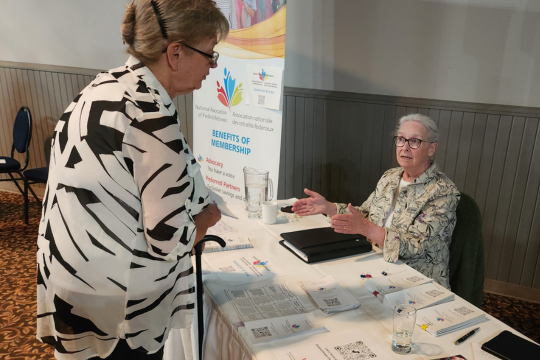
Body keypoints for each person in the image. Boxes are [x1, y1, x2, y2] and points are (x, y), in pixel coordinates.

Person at [36, 0, 228, 359]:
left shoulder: (103, 86)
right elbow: (167, 239)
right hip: (117, 304)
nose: (211, 68)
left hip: (73, 279)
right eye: (210, 55)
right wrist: (207, 219)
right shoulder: (151, 115)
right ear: (176, 53)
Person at [292, 114, 460, 289]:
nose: (405, 147)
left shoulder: (443, 192)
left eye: (415, 141)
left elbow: (416, 247)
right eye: (401, 139)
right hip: (375, 264)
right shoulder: (390, 177)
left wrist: (366, 228)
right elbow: (364, 214)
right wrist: (329, 207)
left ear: (432, 149)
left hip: (416, 280)